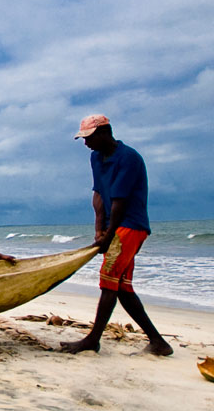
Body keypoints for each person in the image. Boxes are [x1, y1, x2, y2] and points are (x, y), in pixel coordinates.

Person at [59, 114, 173, 356]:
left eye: (89, 138)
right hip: (115, 225)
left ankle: (92, 340)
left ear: (104, 133)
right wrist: (99, 229)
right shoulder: (96, 157)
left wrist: (109, 236)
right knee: (122, 287)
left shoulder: (128, 158)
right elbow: (99, 194)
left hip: (130, 225)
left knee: (109, 282)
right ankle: (158, 342)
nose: (86, 143)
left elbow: (120, 202)